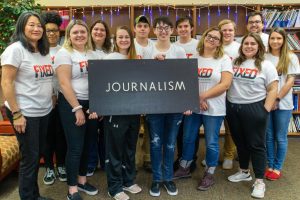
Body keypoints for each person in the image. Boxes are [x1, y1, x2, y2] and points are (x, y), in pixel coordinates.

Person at [1, 11, 53, 200]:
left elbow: (46, 79)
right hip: (24, 113)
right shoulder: (15, 50)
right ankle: (28, 197)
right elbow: (6, 83)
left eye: (39, 25)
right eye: (31, 24)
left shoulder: (43, 50)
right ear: (22, 26)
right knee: (30, 159)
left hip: (43, 111)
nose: (36, 28)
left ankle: (35, 195)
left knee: (37, 154)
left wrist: (52, 97)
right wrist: (16, 114)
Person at [173, 27, 233, 191]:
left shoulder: (224, 59)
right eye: (209, 35)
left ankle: (209, 174)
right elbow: (186, 83)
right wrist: (197, 99)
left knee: (212, 142)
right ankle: (184, 167)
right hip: (194, 107)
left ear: (219, 42)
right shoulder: (194, 57)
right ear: (204, 37)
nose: (211, 39)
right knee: (188, 138)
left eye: (216, 37)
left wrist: (202, 97)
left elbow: (225, 84)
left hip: (214, 108)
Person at [226, 32, 278, 199]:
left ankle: (260, 182)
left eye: (252, 44)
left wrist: (265, 111)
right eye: (246, 43)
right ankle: (244, 171)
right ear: (241, 46)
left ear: (259, 47)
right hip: (233, 107)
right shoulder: (234, 62)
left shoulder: (266, 65)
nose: (249, 46)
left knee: (256, 145)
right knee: (240, 142)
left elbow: (273, 89)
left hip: (255, 108)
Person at [54, 19, 99, 200]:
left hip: (91, 105)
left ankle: (82, 181)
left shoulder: (92, 54)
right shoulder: (64, 54)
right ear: (69, 35)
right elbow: (64, 84)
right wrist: (77, 108)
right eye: (75, 32)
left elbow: (99, 82)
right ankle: (72, 189)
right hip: (71, 104)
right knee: (75, 148)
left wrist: (97, 106)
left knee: (88, 145)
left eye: (83, 32)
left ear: (87, 34)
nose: (79, 35)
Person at [146, 16, 186, 197]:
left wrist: (186, 102)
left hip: (175, 106)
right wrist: (151, 63)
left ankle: (168, 178)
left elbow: (185, 79)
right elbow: (141, 79)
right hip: (154, 105)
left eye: (167, 28)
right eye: (159, 28)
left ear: (172, 31)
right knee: (155, 144)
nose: (163, 31)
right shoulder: (147, 50)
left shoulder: (179, 51)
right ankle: (156, 179)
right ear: (154, 30)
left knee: (170, 144)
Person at [102, 25, 142, 200]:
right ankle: (114, 186)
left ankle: (128, 180)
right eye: (120, 37)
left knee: (130, 148)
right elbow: (102, 84)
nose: (124, 40)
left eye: (126, 37)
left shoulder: (135, 58)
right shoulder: (109, 58)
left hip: (133, 110)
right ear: (115, 40)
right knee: (115, 150)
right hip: (115, 111)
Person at [265, 28, 300, 181]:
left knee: (280, 137)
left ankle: (277, 167)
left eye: (279, 38)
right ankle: (270, 165)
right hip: (266, 103)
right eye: (272, 38)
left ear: (284, 40)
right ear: (269, 40)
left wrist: (276, 99)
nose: (275, 41)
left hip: (282, 104)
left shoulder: (291, 57)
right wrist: (269, 101)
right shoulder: (264, 57)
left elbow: (290, 82)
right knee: (268, 136)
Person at [41, 10, 67, 185]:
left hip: (62, 100)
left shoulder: (63, 51)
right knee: (46, 136)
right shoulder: (37, 51)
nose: (52, 33)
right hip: (43, 102)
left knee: (61, 135)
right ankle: (49, 167)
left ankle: (61, 165)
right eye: (48, 30)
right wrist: (50, 94)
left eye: (55, 30)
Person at [86, 20, 113, 176]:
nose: (98, 32)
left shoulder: (110, 51)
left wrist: (103, 104)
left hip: (107, 97)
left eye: (102, 30)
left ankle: (104, 162)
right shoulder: (85, 51)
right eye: (95, 29)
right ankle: (90, 163)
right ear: (91, 31)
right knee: (90, 133)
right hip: (88, 97)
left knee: (105, 134)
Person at [173, 17, 200, 173]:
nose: (183, 29)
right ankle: (181, 157)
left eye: (186, 26)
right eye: (180, 27)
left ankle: (191, 159)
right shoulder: (174, 46)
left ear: (191, 28)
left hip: (194, 91)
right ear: (176, 29)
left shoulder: (198, 46)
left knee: (192, 130)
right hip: (177, 92)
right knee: (180, 129)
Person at [218, 19, 241, 170]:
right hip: (215, 93)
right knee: (212, 128)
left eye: (230, 30)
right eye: (224, 30)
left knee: (230, 128)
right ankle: (211, 155)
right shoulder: (214, 46)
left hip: (234, 93)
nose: (227, 33)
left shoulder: (240, 48)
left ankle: (229, 155)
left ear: (235, 32)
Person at [133, 15, 154, 171]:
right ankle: (132, 160)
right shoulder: (129, 44)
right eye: (139, 26)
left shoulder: (154, 46)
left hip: (150, 94)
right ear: (134, 28)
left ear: (149, 29)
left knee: (149, 129)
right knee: (132, 129)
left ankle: (147, 159)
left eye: (145, 26)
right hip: (131, 94)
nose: (142, 28)